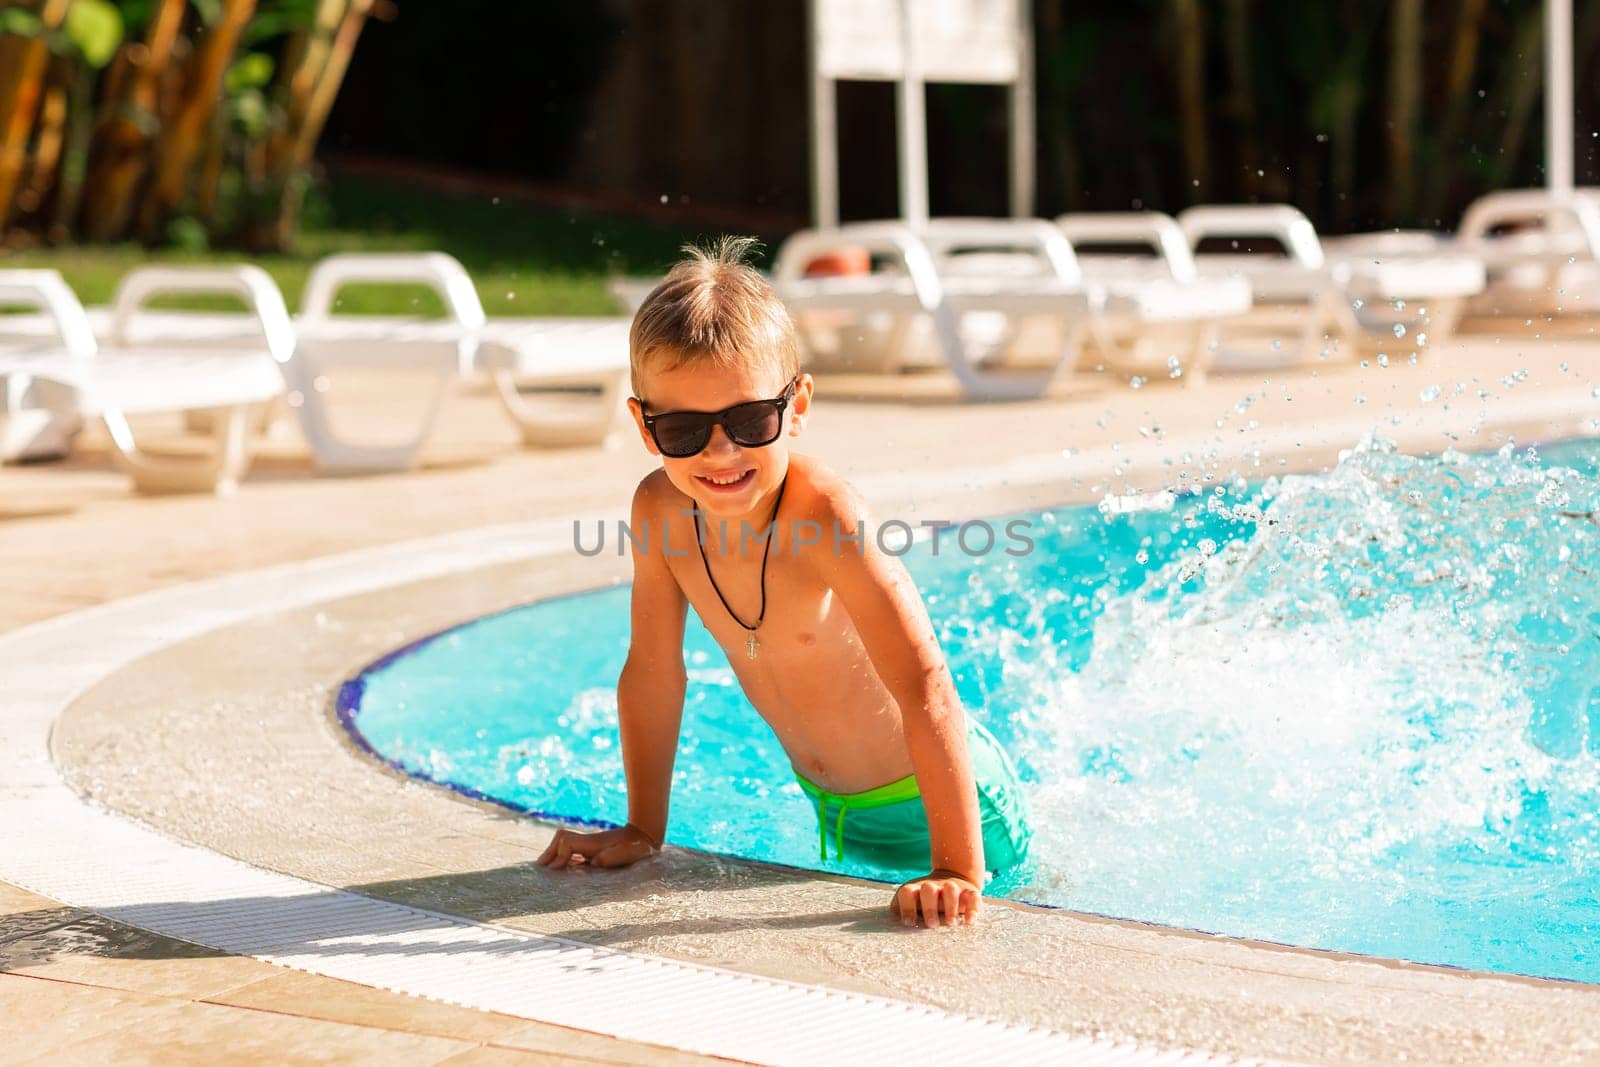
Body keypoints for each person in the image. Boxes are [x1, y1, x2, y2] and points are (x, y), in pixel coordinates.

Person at [537, 237, 1030, 927]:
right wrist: (644, 830)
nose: (720, 451)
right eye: (683, 427)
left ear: (795, 406)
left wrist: (955, 867)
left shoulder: (824, 515)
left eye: (747, 420)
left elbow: (925, 683)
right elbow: (653, 671)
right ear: (645, 427)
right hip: (837, 813)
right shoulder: (659, 510)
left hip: (947, 805)